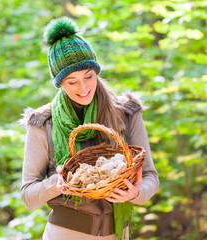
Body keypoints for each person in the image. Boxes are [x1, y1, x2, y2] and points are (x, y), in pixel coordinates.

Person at [19, 17, 159, 240]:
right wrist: (59, 182)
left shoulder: (127, 113)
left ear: (96, 73)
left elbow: (150, 176)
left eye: (88, 76)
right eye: (72, 82)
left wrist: (136, 193)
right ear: (60, 83)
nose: (83, 88)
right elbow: (28, 196)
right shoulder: (42, 123)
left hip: (118, 232)